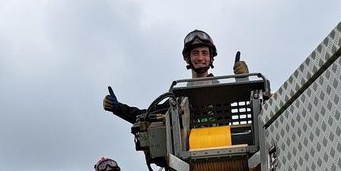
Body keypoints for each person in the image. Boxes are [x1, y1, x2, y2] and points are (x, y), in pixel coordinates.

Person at [102, 31, 248, 123]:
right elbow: (146, 116)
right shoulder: (179, 96)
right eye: (195, 53)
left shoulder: (222, 89)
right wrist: (118, 108)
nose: (200, 57)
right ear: (187, 58)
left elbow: (249, 100)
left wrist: (243, 80)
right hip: (187, 159)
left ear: (211, 58)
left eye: (204, 53)